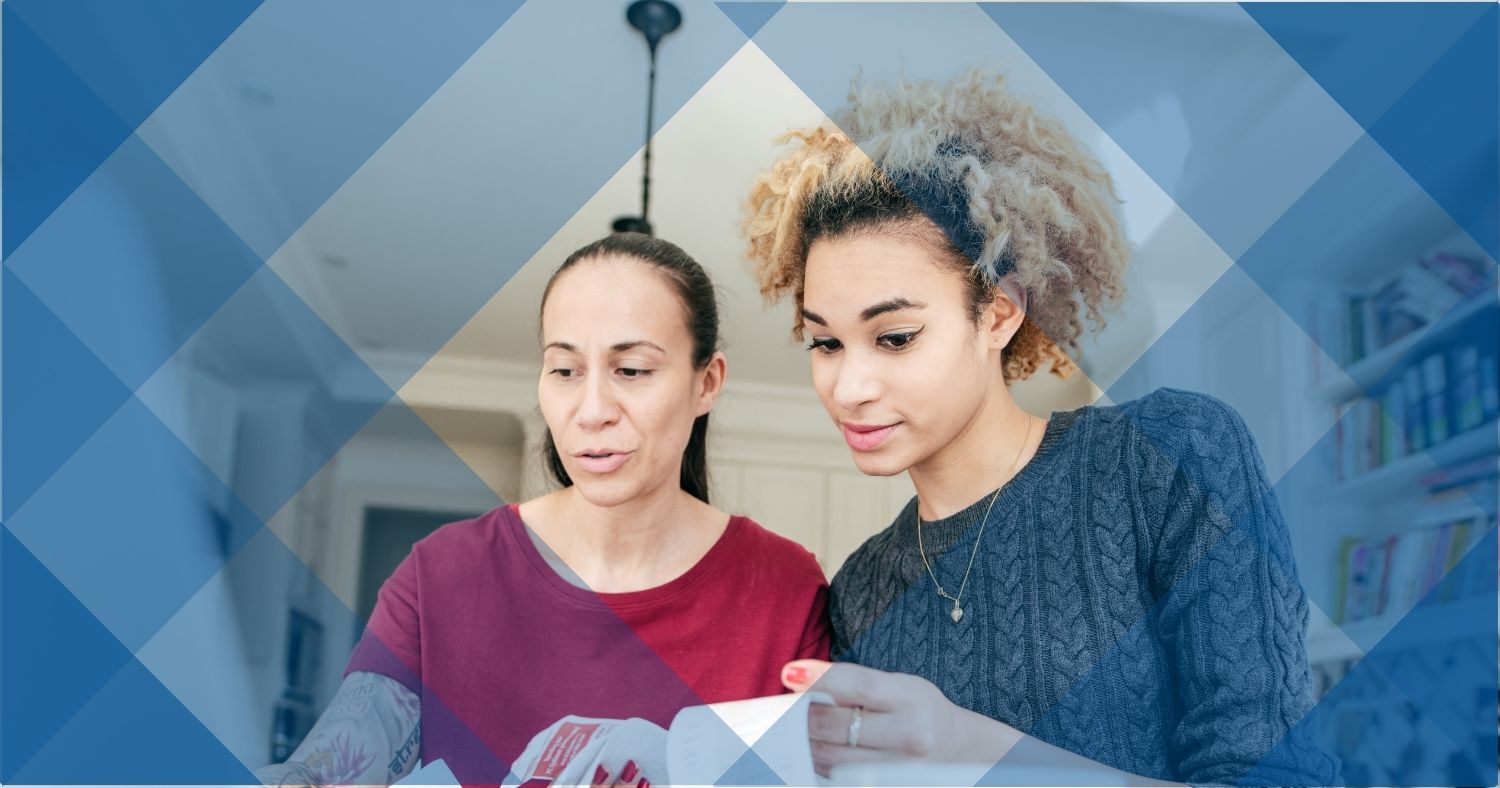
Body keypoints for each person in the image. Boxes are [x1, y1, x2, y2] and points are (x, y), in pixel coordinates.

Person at [739, 69, 1338, 786]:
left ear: (998, 313)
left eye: (894, 337)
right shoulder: (861, 589)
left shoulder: (1169, 457)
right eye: (825, 344)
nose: (848, 386)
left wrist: (978, 748)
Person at [255, 233, 831, 787]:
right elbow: (339, 757)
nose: (592, 410)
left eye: (630, 370)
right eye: (565, 371)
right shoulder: (443, 574)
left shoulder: (784, 588)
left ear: (706, 382)